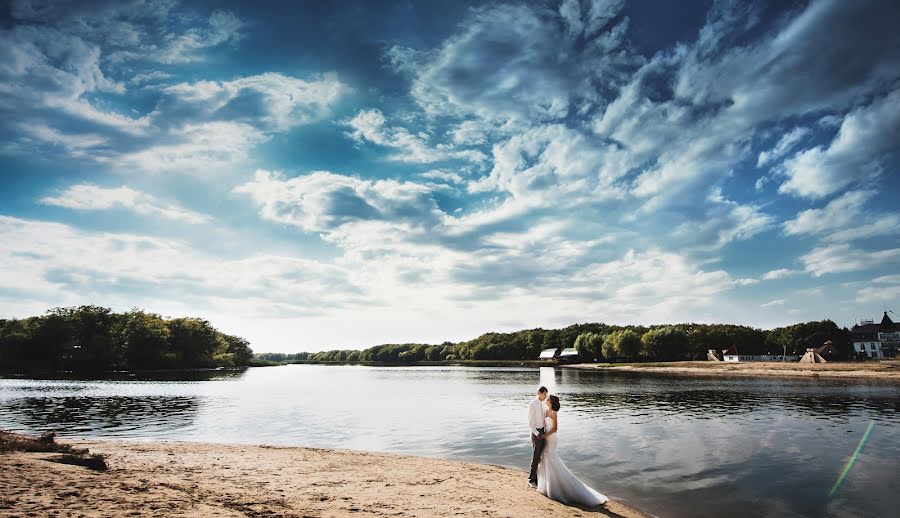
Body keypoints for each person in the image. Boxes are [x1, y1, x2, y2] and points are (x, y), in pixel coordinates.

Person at [537, 395, 608, 507]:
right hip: (546, 439)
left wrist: (545, 435)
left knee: (552, 460)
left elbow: (555, 428)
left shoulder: (554, 413)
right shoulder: (545, 412)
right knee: (546, 459)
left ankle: (557, 489)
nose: (545, 400)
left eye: (547, 399)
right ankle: (548, 486)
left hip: (552, 439)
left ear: (551, 401)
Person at [527, 386, 549, 487]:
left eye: (546, 394)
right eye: (544, 394)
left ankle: (539, 477)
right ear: (539, 393)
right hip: (536, 433)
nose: (545, 396)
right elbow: (530, 423)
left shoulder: (543, 404)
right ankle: (531, 479)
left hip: (543, 432)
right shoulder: (533, 404)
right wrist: (537, 434)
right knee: (536, 457)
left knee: (541, 456)